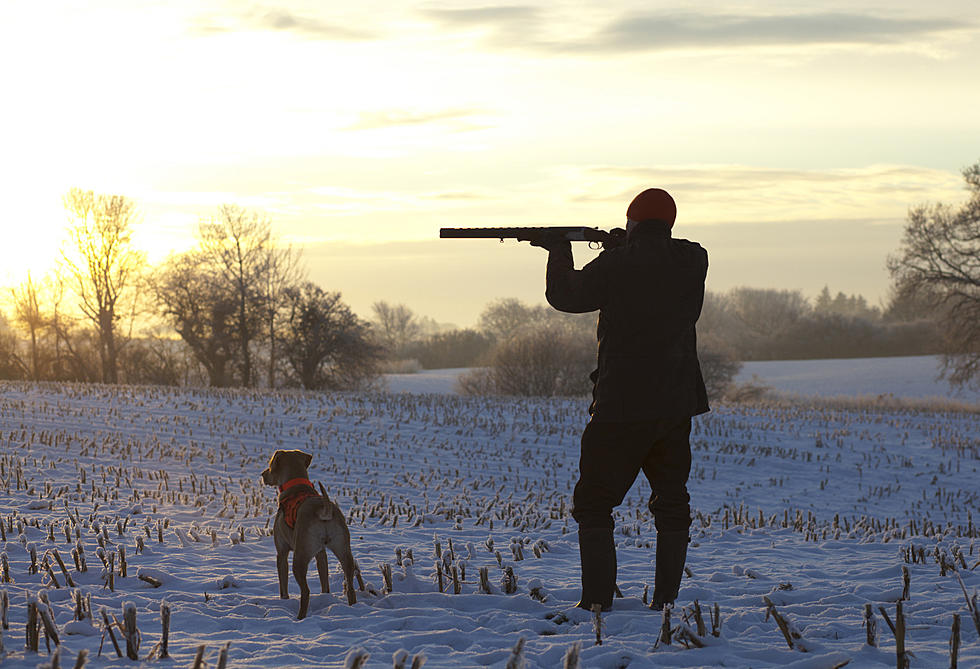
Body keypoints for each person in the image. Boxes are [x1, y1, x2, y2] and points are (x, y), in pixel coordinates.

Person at [533, 188, 709, 612]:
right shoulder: (692, 261)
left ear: (630, 222)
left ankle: (595, 603)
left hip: (621, 407)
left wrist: (558, 250)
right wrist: (625, 242)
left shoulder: (616, 264)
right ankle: (666, 601)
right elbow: (666, 250)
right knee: (672, 503)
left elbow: (566, 296)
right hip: (674, 406)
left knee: (594, 504)